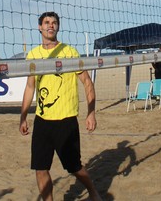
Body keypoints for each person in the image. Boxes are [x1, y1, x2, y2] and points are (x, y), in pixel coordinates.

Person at [19, 12, 101, 201]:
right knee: (40, 168)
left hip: (66, 119)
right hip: (42, 120)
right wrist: (23, 117)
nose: (50, 25)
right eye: (46, 22)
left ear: (58, 27)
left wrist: (91, 113)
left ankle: (93, 192)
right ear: (39, 27)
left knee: (74, 167)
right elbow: (30, 87)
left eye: (54, 23)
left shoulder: (70, 52)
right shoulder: (33, 55)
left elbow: (87, 82)